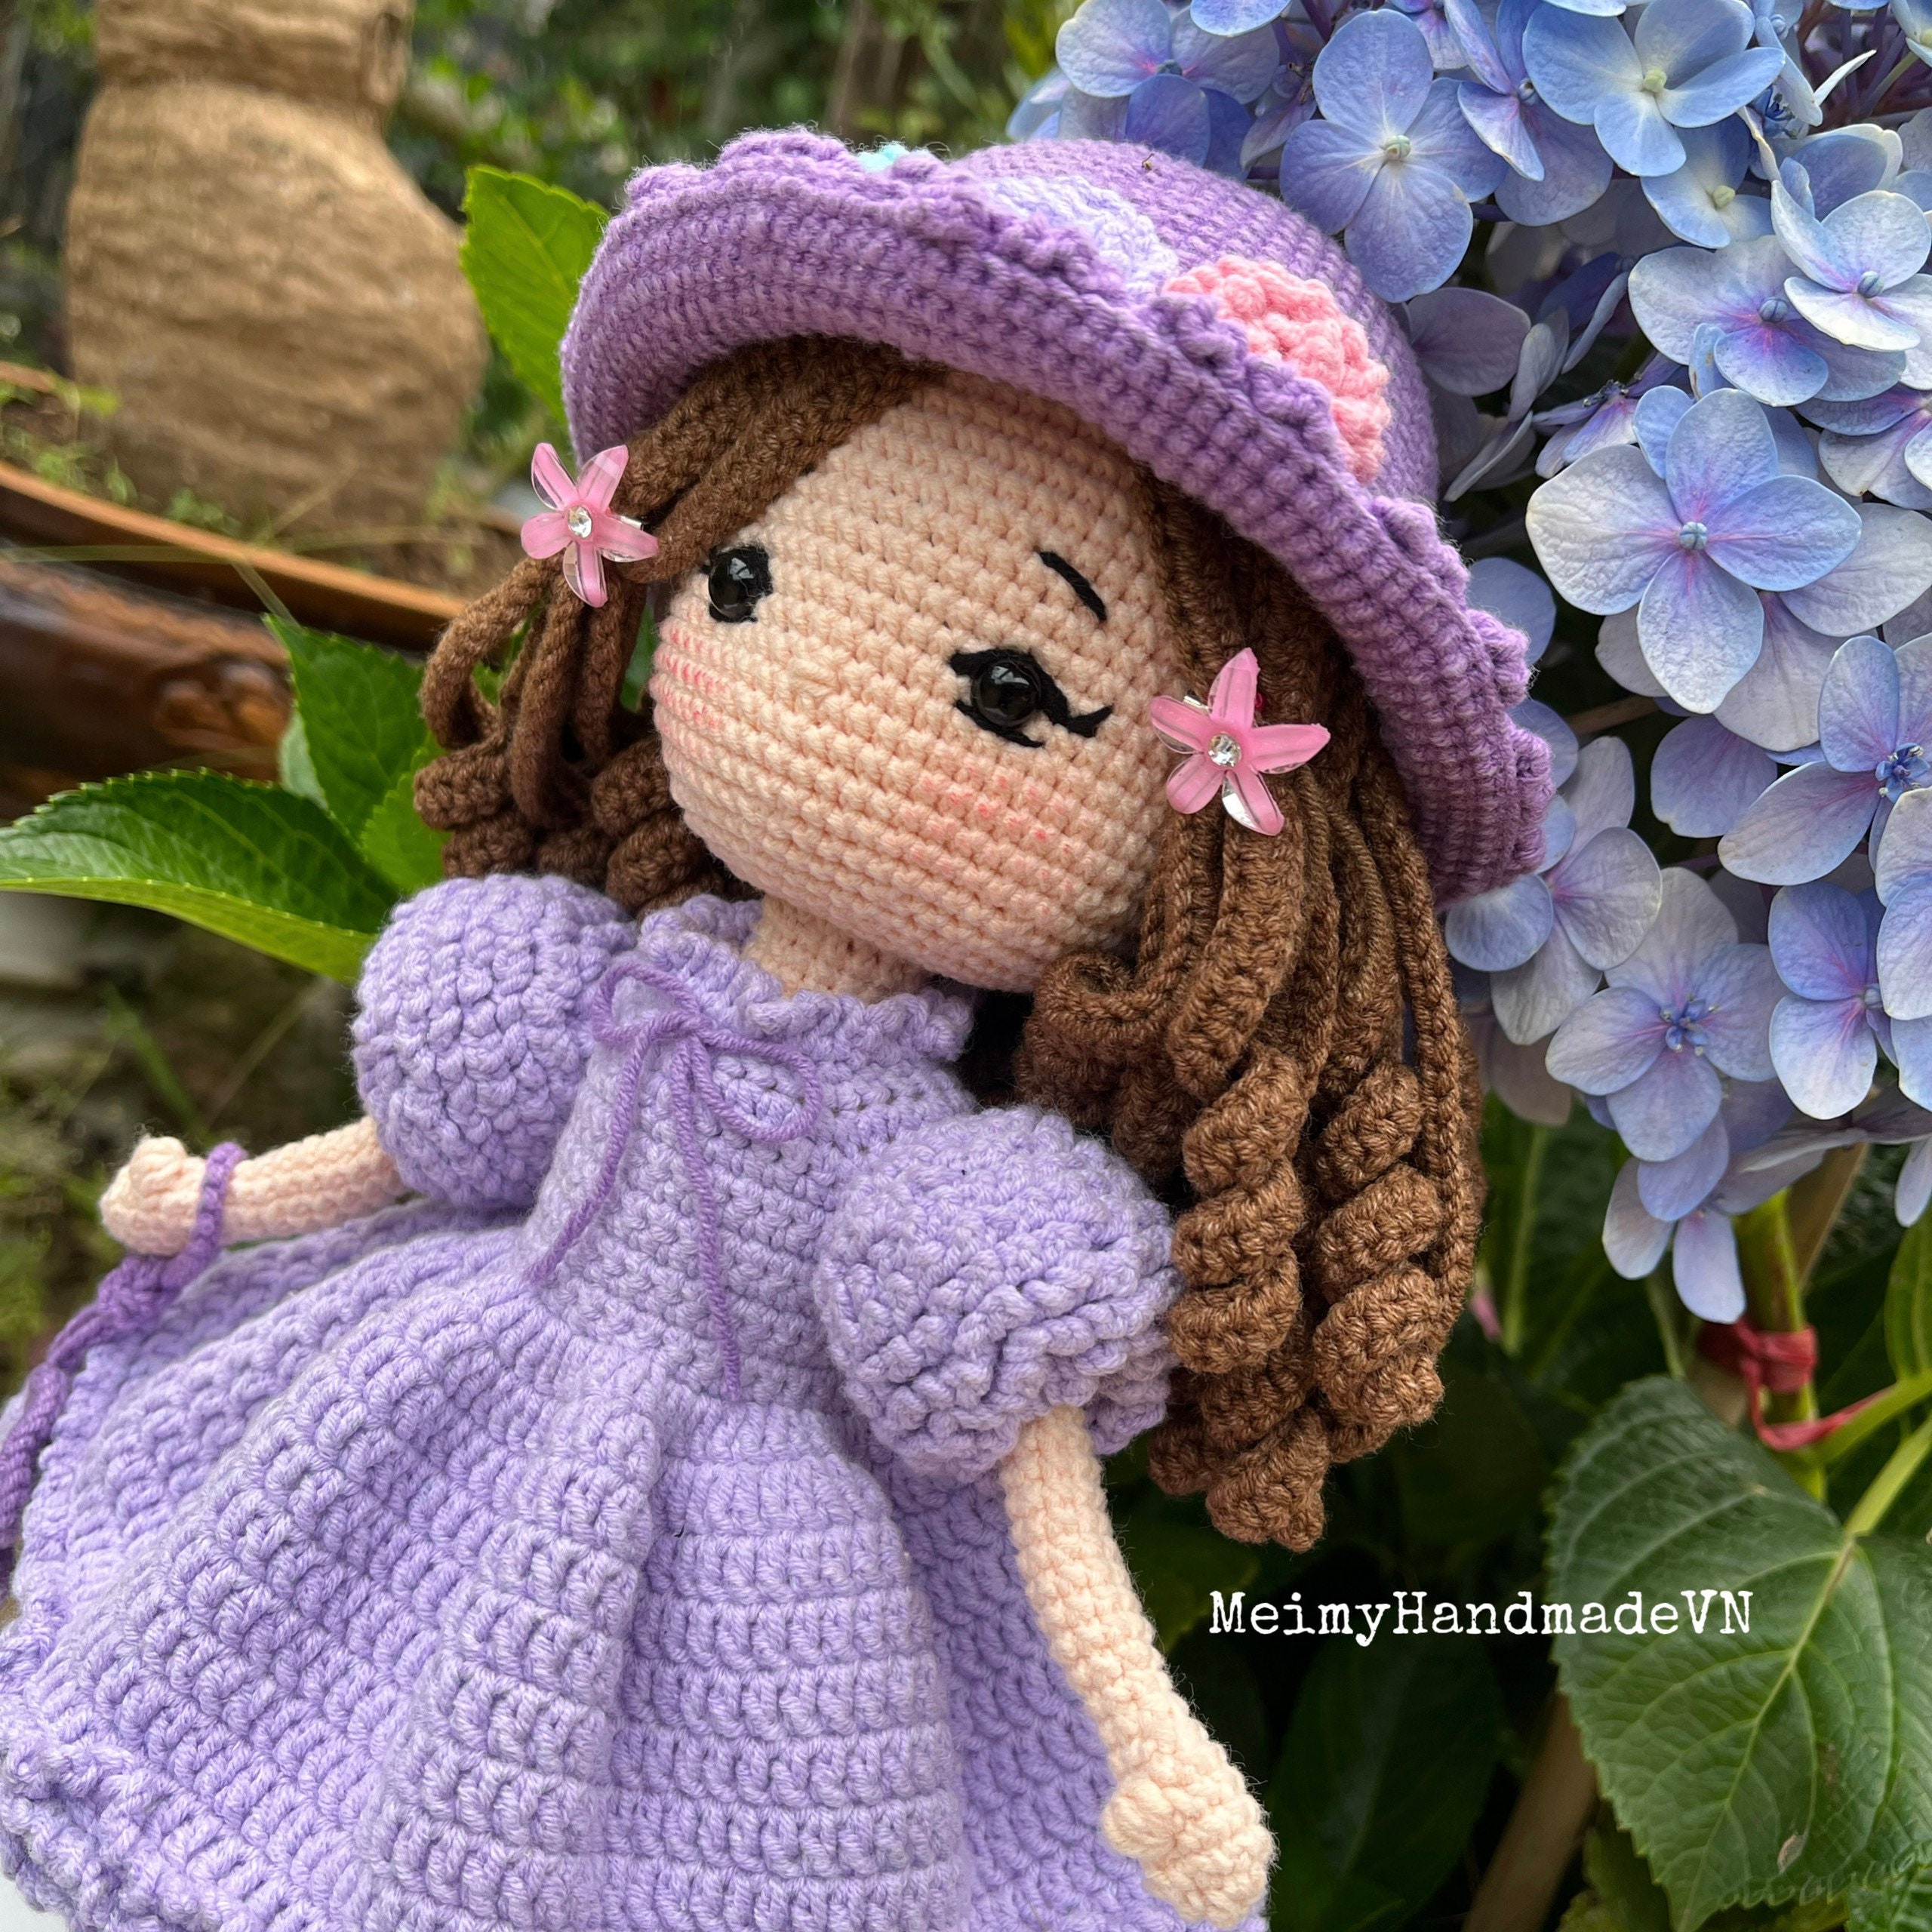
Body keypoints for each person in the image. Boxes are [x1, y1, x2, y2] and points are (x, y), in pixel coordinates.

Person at [0, 131, 1546, 1932]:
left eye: (1010, 690)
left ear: (1218, 824)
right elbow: (428, 1154)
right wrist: (234, 1200)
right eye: (742, 583)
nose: (807, 691)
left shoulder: (949, 1203)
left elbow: (1044, 1496)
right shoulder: (604, 980)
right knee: (233, 1680)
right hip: (457, 1388)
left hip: (770, 1591)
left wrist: (1150, 1737)